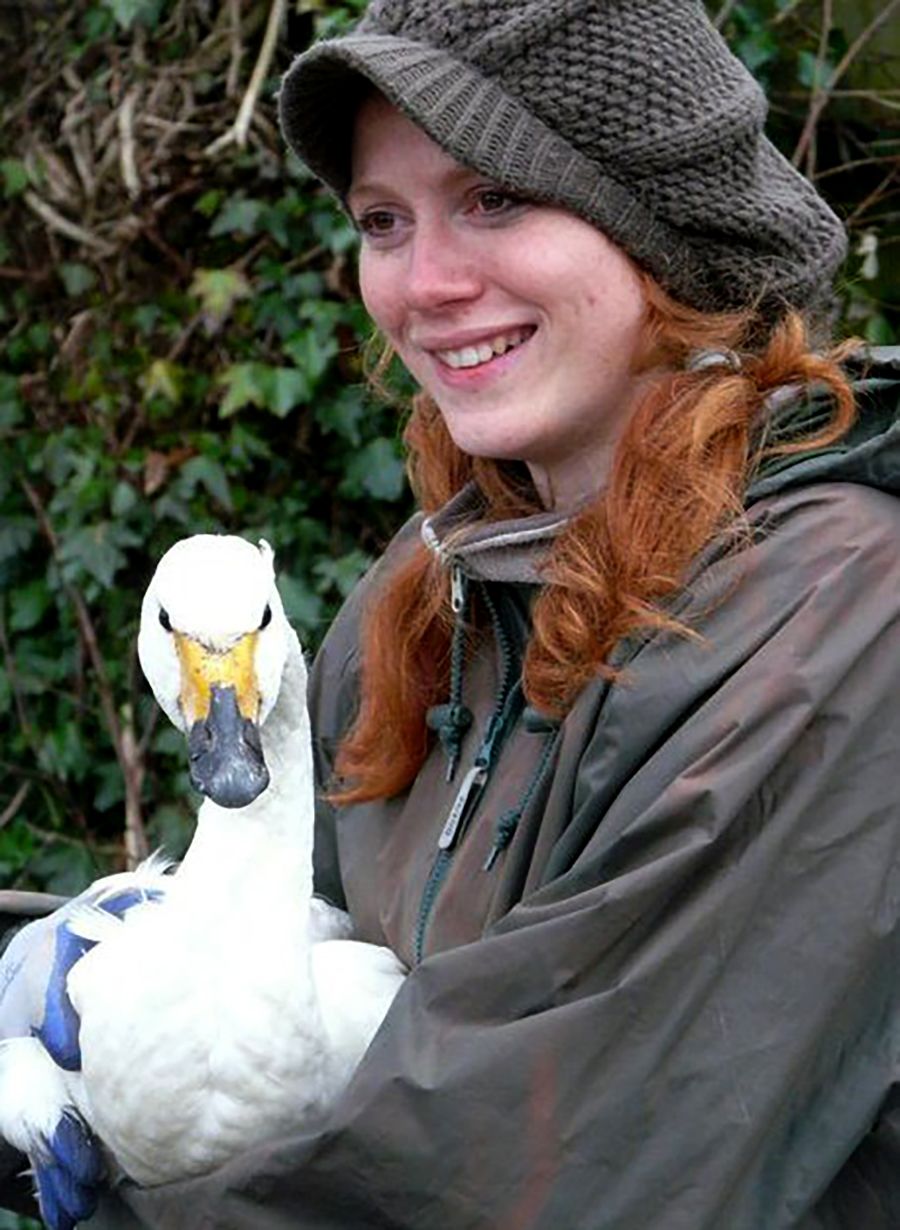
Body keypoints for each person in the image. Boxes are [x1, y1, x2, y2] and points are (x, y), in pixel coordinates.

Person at [3, 0, 900, 1226]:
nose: (423, 285)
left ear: (665, 229)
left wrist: (117, 1189)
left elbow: (551, 1168)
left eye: (496, 198)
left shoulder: (841, 614)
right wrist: (71, 981)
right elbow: (285, 938)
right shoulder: (428, 587)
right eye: (383, 220)